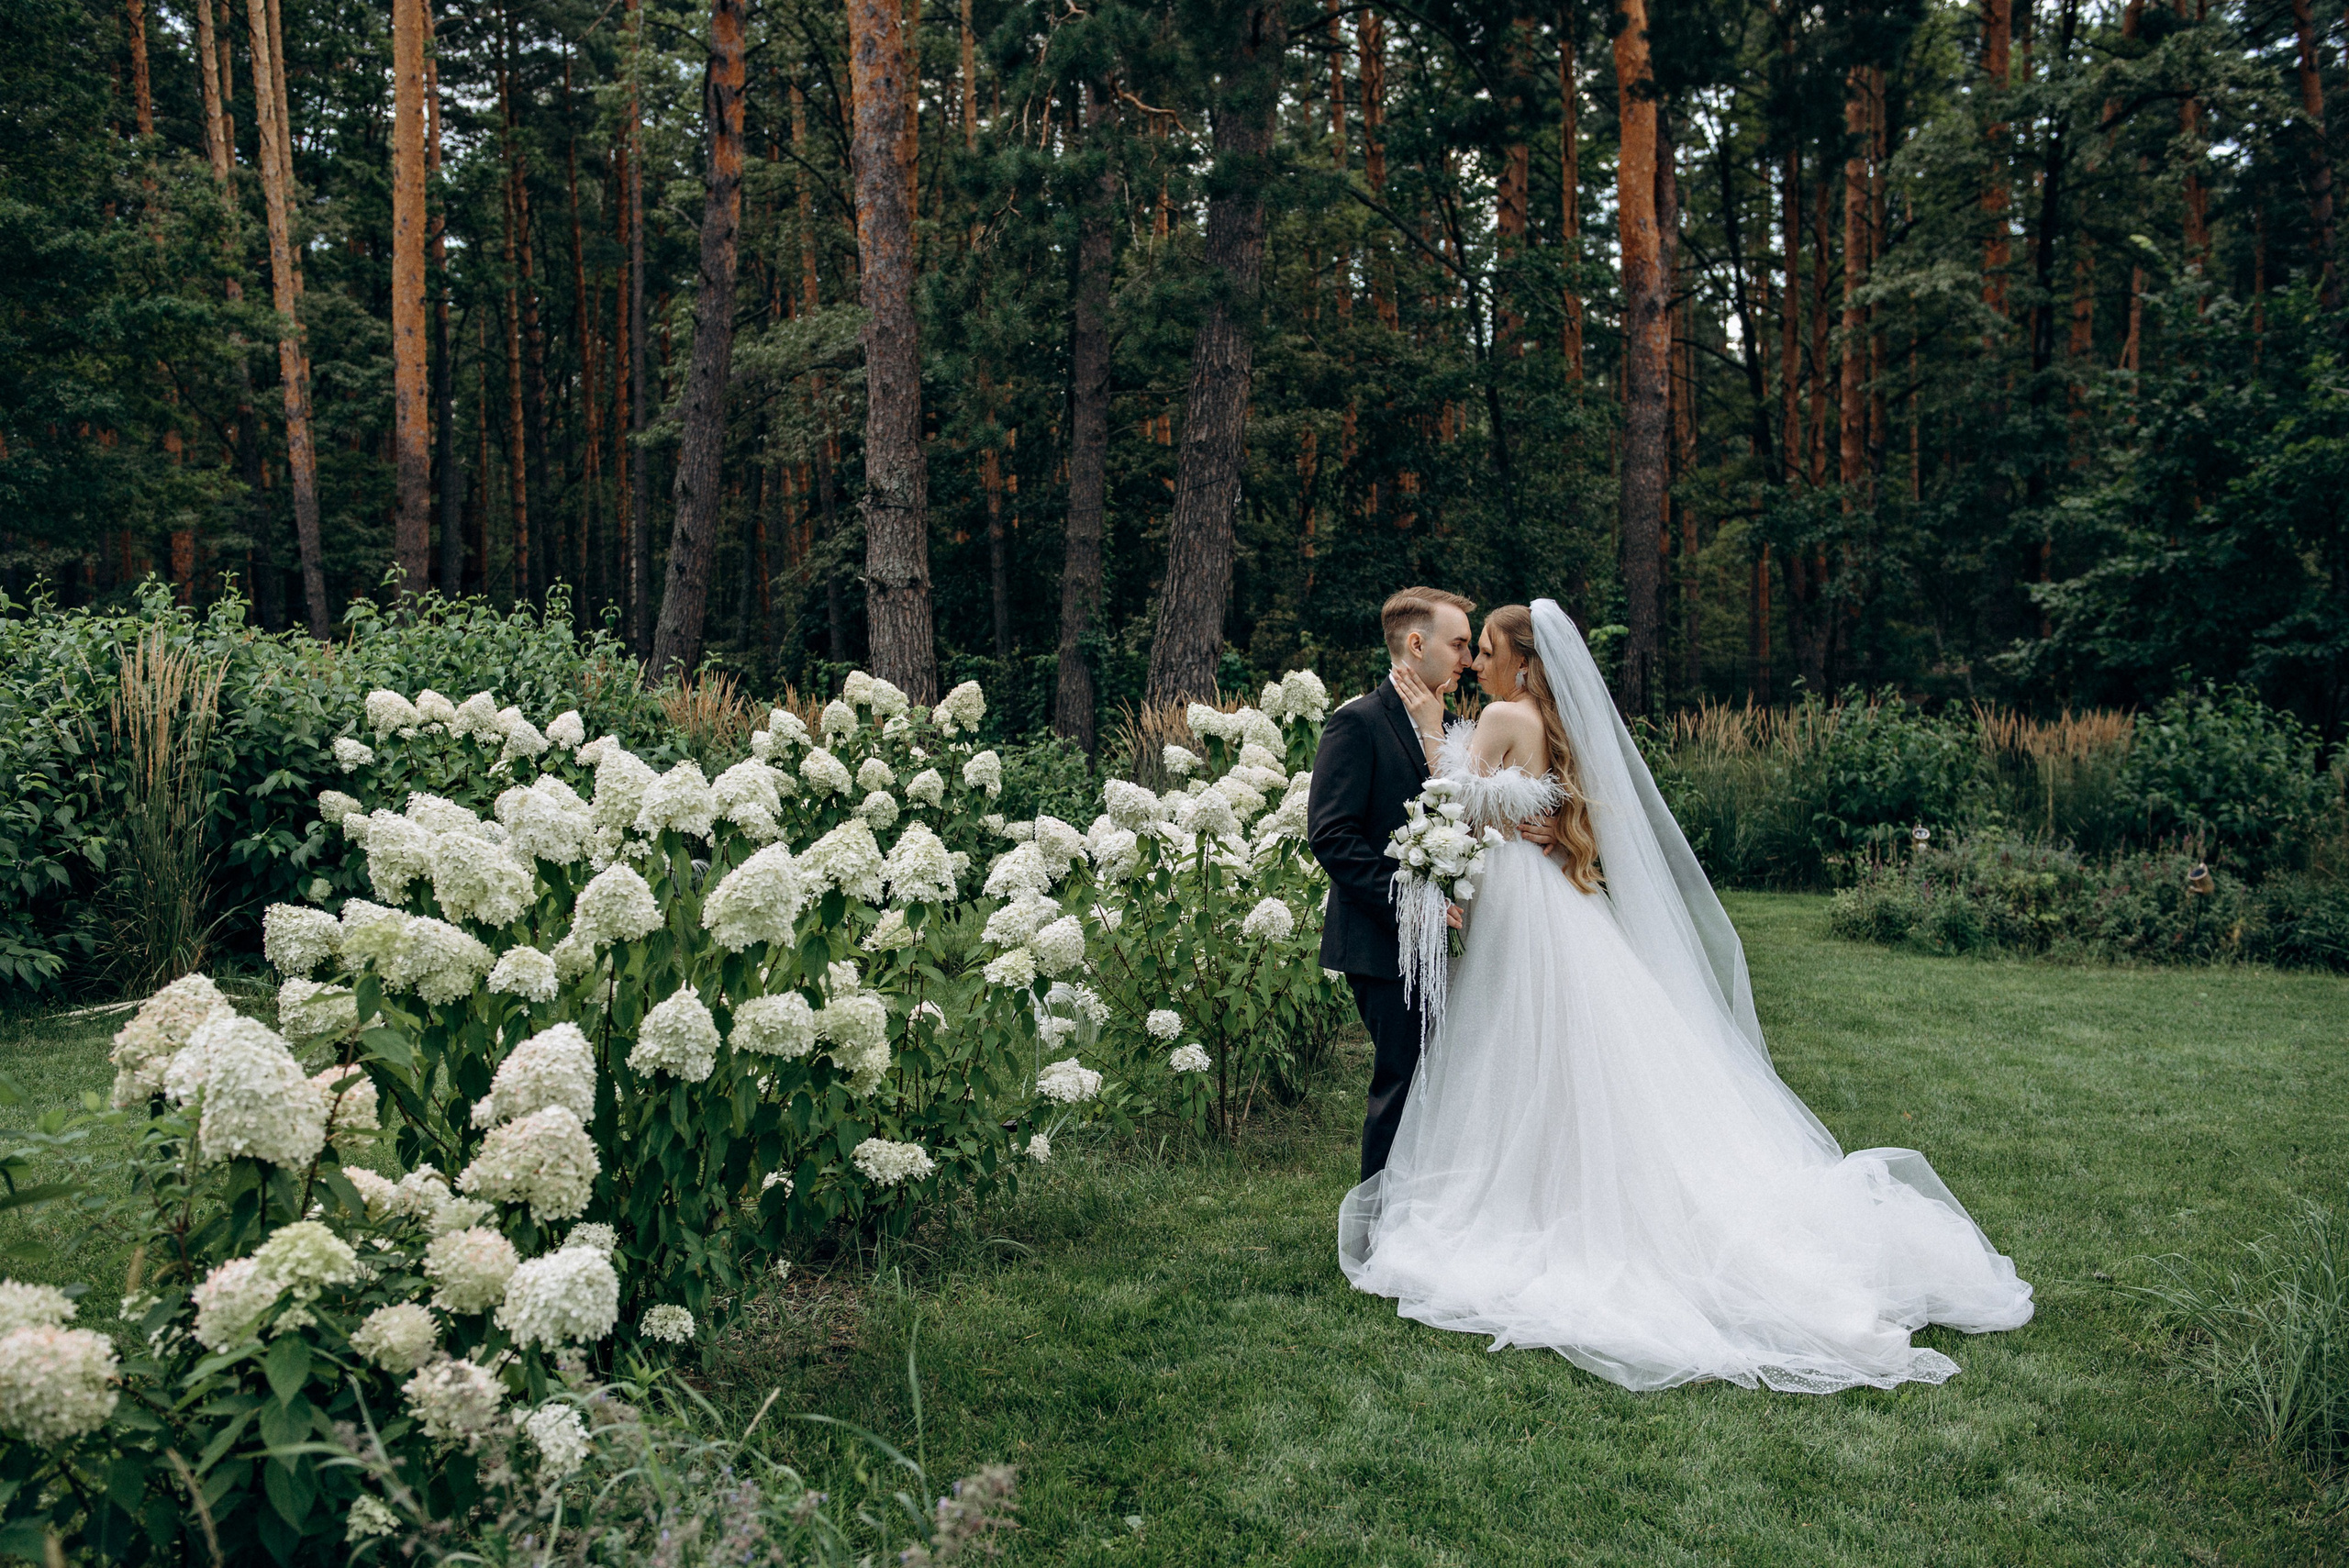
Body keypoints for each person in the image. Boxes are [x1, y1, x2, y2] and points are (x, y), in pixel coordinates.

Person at [1338, 600, 2036, 1393]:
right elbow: (1528, 804)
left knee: (1524, 1048)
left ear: (1524, 662)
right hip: (1546, 905)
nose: (1477, 663)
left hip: (1524, 915)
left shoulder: (1501, 715)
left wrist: (1432, 728)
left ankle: (1526, 1204)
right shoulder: (1546, 721)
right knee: (1557, 1054)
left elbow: (1447, 799)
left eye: (1489, 648)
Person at [1306, 586, 1474, 1183]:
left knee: (1450, 1079)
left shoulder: (1452, 727)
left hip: (1455, 933)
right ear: (1416, 643)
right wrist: (1411, 904)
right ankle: (1379, 1218)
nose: (1467, 658)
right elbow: (1332, 835)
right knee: (1404, 1079)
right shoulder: (1356, 722)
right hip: (1381, 940)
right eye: (1458, 644)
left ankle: (1435, 1205)